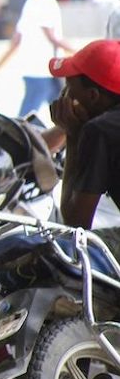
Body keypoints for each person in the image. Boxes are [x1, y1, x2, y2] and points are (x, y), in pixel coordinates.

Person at [48, 41, 120, 244]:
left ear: (92, 96)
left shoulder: (99, 130)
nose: (63, 98)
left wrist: (73, 135)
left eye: (69, 89)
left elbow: (75, 223)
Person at [0, 0, 75, 117]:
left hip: (48, 73)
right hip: (39, 72)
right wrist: (80, 52)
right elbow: (52, 38)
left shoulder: (36, 0)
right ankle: (16, 140)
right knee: (27, 118)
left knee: (65, 117)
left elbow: (16, 41)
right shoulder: (42, 1)